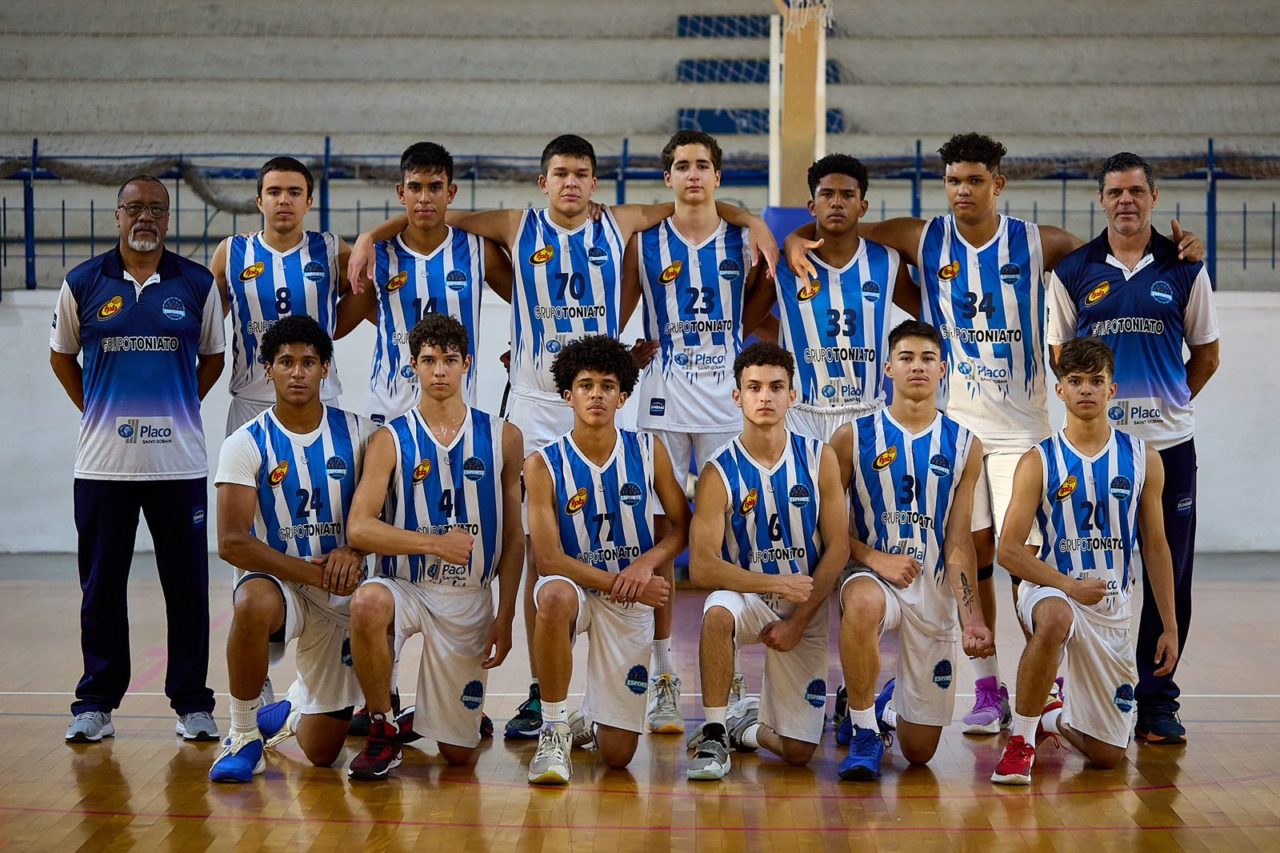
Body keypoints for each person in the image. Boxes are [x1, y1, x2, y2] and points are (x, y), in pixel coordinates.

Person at [349, 134, 776, 739]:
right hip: (533, 406)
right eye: (559, 173)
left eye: (580, 173)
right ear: (542, 183)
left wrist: (752, 218)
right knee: (532, 547)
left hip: (601, 396)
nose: (570, 182)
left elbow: (693, 199)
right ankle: (535, 692)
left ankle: (661, 677)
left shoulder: (619, 222)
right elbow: (432, 212)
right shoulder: (514, 226)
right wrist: (369, 236)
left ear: (594, 184)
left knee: (646, 528)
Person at [784, 133, 1202, 736]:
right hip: (953, 433)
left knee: (1025, 558)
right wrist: (800, 237)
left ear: (997, 184)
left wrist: (1177, 248)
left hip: (1020, 433)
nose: (962, 191)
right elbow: (843, 228)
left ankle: (1050, 688)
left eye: (975, 180)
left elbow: (1117, 248)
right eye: (953, 180)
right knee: (971, 558)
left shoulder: (1039, 243)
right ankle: (986, 688)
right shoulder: (922, 237)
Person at [1046, 152, 1219, 745]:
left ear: (1154, 197)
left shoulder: (1187, 268)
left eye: (1137, 191)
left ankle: (1158, 701)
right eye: (1116, 192)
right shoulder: (1072, 271)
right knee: (1085, 567)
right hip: (1095, 453)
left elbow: (1208, 355)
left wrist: (1168, 402)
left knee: (1170, 573)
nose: (1126, 200)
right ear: (1101, 201)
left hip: (1168, 447)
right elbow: (1059, 359)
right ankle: (1075, 689)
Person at [52, 174, 224, 743]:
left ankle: (193, 703)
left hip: (179, 465)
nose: (144, 217)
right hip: (104, 466)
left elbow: (212, 360)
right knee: (101, 586)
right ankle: (96, 702)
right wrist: (98, 408)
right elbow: (62, 358)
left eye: (155, 208)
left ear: (168, 219)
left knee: (188, 586)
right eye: (134, 208)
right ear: (117, 215)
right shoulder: (82, 283)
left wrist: (176, 408)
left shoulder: (197, 285)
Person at [630, 130, 771, 733]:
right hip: (661, 400)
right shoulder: (642, 241)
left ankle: (731, 677)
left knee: (729, 536)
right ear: (668, 178)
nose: (693, 174)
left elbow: (762, 310)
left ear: (718, 176)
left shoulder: (743, 239)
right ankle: (663, 675)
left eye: (704, 166)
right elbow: (619, 307)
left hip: (723, 404)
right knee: (661, 533)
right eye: (682, 166)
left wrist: (756, 221)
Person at [341, 313, 524, 780]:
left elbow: (514, 536)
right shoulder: (389, 438)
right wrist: (434, 544)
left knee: (458, 755)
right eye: (428, 360)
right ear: (413, 366)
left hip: (468, 597)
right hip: (406, 587)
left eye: (448, 360)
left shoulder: (504, 435)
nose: (439, 370)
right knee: (366, 602)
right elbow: (359, 529)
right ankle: (382, 726)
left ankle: (436, 716)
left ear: (466, 364)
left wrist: (505, 615)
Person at [992, 336, 1179, 785]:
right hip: (1051, 589)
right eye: (1075, 381)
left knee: (1108, 757)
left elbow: (1155, 546)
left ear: (1113, 390)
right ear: (1060, 391)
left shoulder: (1143, 459)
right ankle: (1021, 740)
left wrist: (1169, 625)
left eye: (1097, 381)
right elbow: (1008, 551)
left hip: (1110, 608)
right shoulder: (1038, 460)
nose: (1086, 390)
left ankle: (1052, 717)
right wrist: (1069, 585)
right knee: (1054, 617)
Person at [209, 316, 376, 782]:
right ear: (268, 370)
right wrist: (311, 573)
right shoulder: (245, 442)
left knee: (322, 755)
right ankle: (243, 733)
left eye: (308, 362)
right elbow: (231, 542)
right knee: (251, 599)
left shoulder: (363, 434)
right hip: (288, 586)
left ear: (326, 368)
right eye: (286, 362)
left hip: (345, 592)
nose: (297, 372)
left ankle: (290, 711)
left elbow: (385, 516)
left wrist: (356, 553)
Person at [523, 335, 691, 785]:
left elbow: (682, 525)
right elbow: (547, 557)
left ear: (624, 395)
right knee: (553, 596)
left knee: (618, 757)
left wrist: (645, 565)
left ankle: (592, 717)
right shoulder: (542, 463)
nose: (596, 394)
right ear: (567, 394)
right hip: (576, 584)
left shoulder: (648, 449)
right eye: (585, 385)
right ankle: (554, 728)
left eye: (607, 385)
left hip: (627, 593)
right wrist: (623, 579)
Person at [828, 320, 992, 781]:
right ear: (887, 368)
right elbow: (828, 527)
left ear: (943, 368)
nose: (917, 366)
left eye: (926, 359)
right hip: (871, 575)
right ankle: (863, 730)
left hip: (932, 588)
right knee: (860, 603)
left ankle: (885, 702)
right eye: (906, 358)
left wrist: (973, 616)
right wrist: (873, 559)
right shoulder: (852, 437)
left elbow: (960, 542)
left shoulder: (965, 444)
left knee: (919, 753)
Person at [686, 342, 848, 781]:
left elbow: (838, 549)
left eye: (776, 387)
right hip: (752, 597)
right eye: (754, 387)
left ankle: (746, 727)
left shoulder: (820, 458)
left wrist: (798, 619)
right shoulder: (718, 471)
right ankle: (716, 730)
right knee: (717, 610)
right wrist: (774, 584)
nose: (765, 397)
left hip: (805, 607)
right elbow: (701, 566)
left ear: (793, 395)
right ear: (736, 395)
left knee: (798, 753)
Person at [744, 154, 919, 443]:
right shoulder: (786, 266)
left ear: (862, 207)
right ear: (812, 206)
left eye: (848, 195)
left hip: (867, 413)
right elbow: (746, 323)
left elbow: (928, 314)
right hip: (801, 414)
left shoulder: (886, 262)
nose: (837, 202)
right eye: (827, 194)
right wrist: (788, 336)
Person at [341, 141, 513, 424]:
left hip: (458, 411)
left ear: (451, 192)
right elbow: (336, 326)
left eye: (434, 187)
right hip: (390, 411)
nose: (424, 198)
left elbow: (527, 302)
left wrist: (521, 347)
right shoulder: (380, 256)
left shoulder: (480, 251)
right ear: (401, 192)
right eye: (415, 187)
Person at [211, 157, 364, 434]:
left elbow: (369, 301)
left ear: (309, 202)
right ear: (259, 201)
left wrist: (368, 239)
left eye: (294, 193)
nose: (284, 200)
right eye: (274, 192)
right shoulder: (231, 252)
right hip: (251, 403)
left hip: (320, 400)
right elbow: (205, 327)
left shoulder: (331, 249)